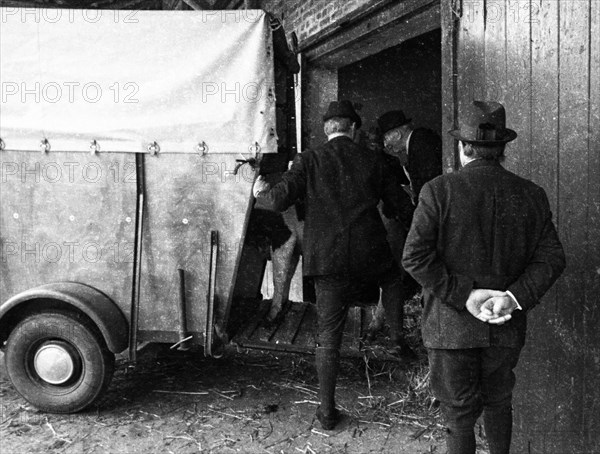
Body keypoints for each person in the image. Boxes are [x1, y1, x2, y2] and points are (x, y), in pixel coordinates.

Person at [402, 101, 566, 454]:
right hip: (504, 323)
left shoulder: (437, 190)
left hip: (450, 327)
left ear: (463, 149)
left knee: (459, 416)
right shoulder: (531, 194)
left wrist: (465, 296)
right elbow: (552, 258)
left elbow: (414, 257)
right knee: (498, 404)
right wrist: (513, 297)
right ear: (503, 149)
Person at [253, 100, 408, 430]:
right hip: (370, 252)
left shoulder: (308, 160)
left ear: (327, 130)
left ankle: (326, 412)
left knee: (329, 335)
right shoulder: (374, 158)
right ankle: (398, 340)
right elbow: (399, 205)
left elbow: (278, 200)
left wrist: (259, 192)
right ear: (352, 129)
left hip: (328, 259)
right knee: (393, 279)